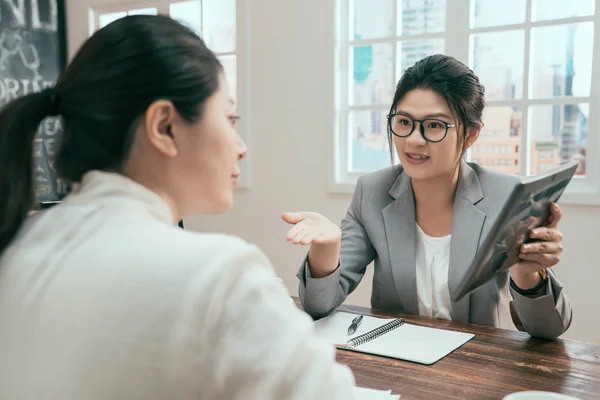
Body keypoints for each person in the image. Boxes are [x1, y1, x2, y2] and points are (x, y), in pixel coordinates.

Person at [0, 15, 355, 399]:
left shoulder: (15, 244)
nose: (241, 145)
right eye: (229, 117)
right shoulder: (219, 276)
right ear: (165, 126)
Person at [283, 54, 572, 340]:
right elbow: (317, 307)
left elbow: (548, 330)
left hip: (476, 367)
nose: (413, 140)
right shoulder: (371, 193)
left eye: (434, 125)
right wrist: (326, 249)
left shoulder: (507, 197)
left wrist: (527, 274)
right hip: (396, 362)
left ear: (470, 135)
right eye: (404, 121)